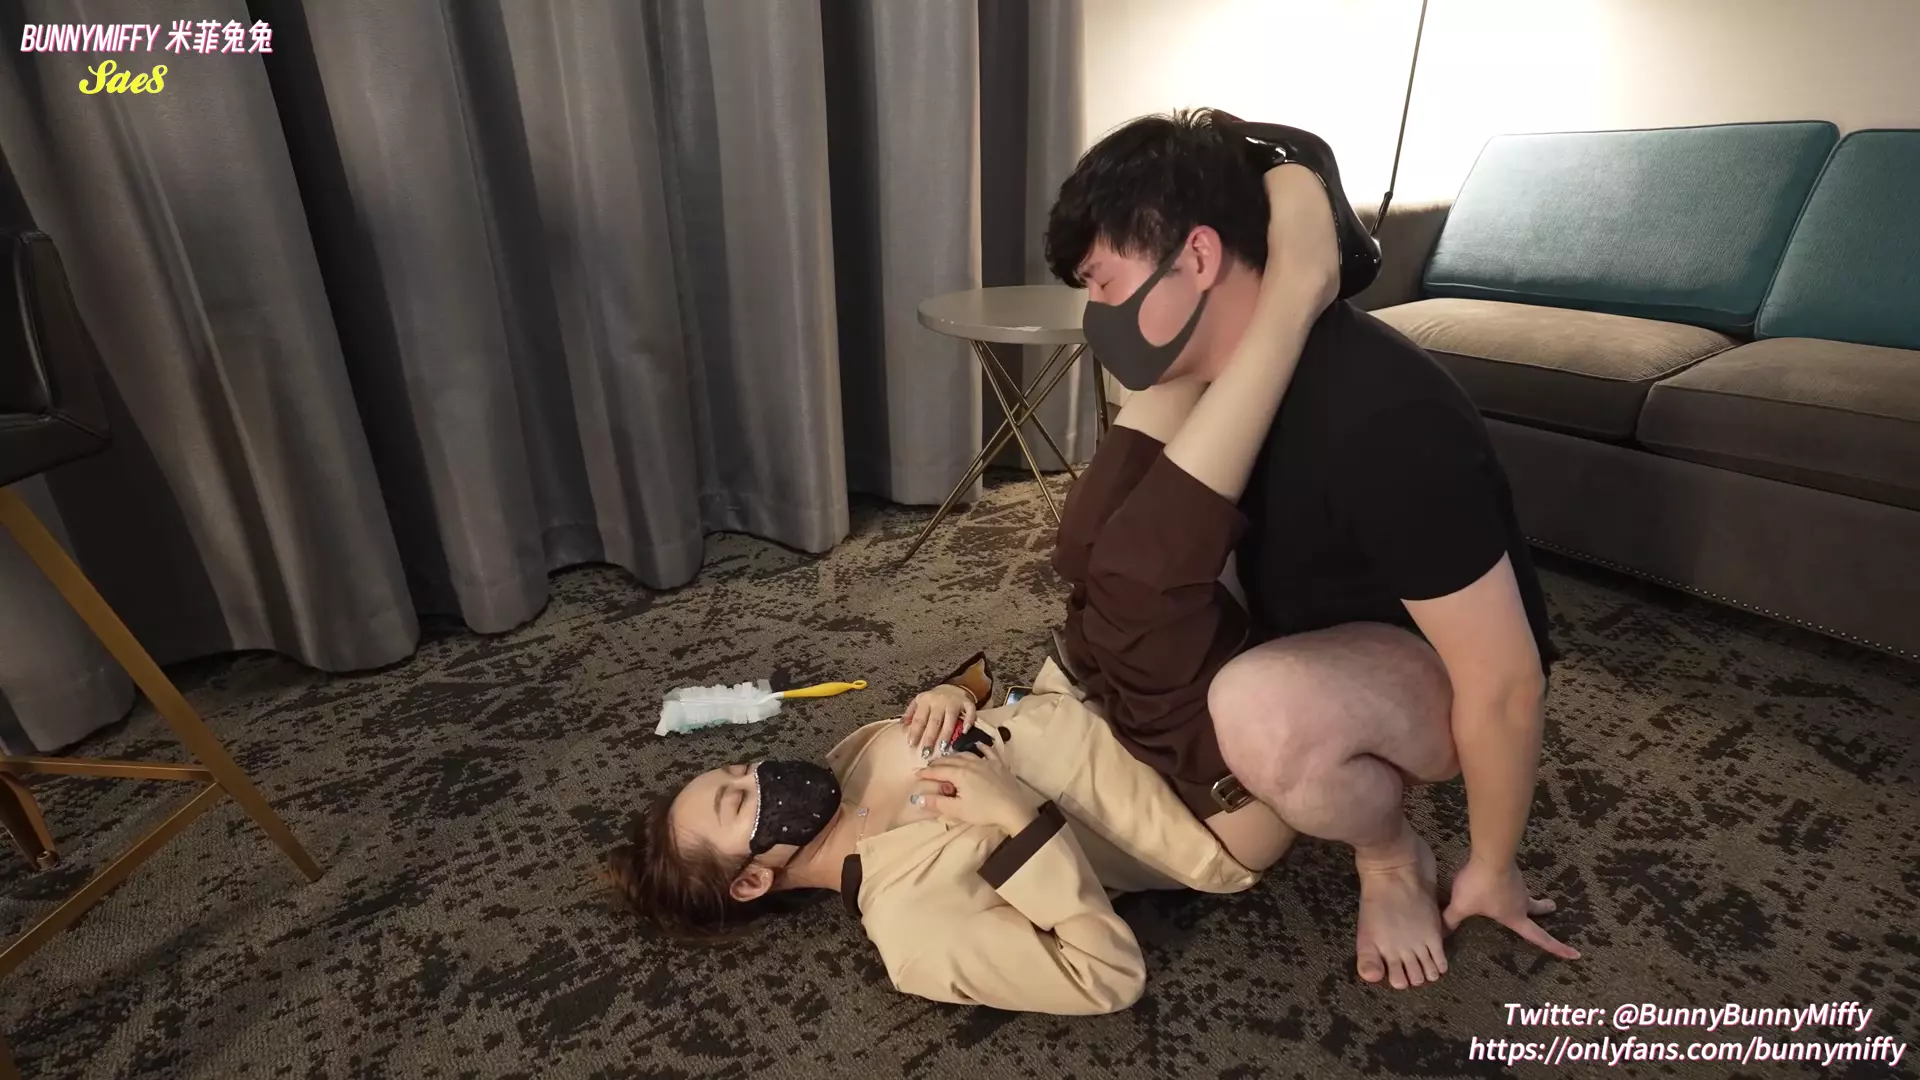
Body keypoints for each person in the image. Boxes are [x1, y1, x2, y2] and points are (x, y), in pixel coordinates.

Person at [605, 157, 1344, 1014]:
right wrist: (1015, 817)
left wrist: (953, 692)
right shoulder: (912, 924)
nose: (762, 773)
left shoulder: (852, 766)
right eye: (739, 800)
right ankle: (1299, 288)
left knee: (1082, 540)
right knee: (1137, 579)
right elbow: (1105, 977)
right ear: (751, 881)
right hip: (1194, 798)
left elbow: (994, 708)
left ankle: (1223, 285)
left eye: (739, 766)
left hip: (1099, 693)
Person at [1042, 108, 1577, 991]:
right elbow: (1105, 563)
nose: (1097, 316)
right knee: (1119, 550)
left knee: (1258, 710)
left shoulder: (1383, 417)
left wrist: (1494, 865)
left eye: (1103, 285)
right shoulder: (1214, 374)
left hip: (1421, 672)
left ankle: (1390, 855)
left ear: (1199, 257)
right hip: (1296, 621)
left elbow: (1507, 680)